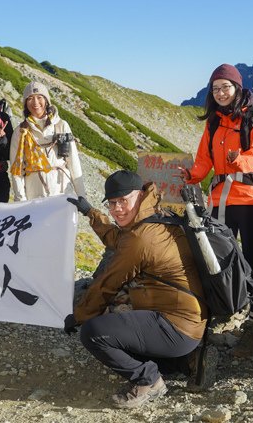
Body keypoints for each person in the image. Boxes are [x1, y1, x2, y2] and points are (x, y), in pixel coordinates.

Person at [65, 171, 215, 408]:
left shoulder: (141, 238)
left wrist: (78, 316)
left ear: (139, 195)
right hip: (191, 322)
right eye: (112, 203)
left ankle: (148, 380)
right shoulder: (157, 215)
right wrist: (91, 213)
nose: (116, 209)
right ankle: (186, 362)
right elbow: (121, 240)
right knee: (121, 320)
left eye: (123, 200)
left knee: (94, 331)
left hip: (176, 327)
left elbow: (106, 284)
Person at [178, 63, 253, 357]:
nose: (220, 93)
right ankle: (225, 309)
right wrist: (191, 175)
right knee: (219, 258)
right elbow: (205, 159)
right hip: (221, 200)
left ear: (237, 88)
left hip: (251, 199)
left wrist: (238, 160)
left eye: (225, 87)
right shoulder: (213, 122)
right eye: (215, 88)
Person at [9, 81, 85, 201]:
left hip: (63, 191)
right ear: (25, 103)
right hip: (34, 194)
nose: (35, 103)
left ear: (46, 100)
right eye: (30, 98)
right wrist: (21, 200)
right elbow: (17, 170)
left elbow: (73, 162)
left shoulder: (61, 125)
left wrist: (81, 196)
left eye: (40, 97)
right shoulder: (20, 132)